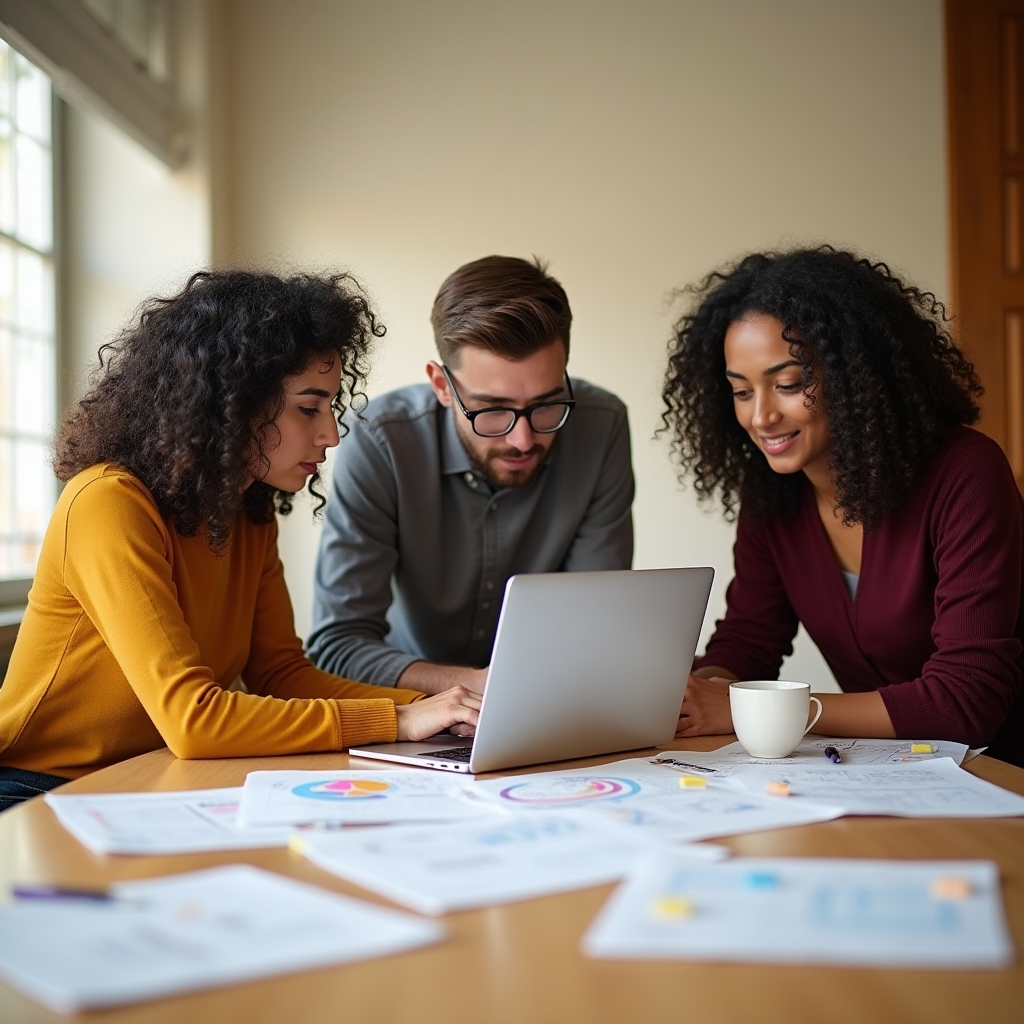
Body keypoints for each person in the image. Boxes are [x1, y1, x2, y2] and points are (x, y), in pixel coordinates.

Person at [0, 271, 481, 812]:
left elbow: (281, 675)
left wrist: (441, 708)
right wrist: (397, 719)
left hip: (159, 781)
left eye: (331, 405)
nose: (332, 433)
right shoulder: (107, 504)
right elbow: (193, 719)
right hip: (40, 788)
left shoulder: (247, 512)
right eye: (309, 407)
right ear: (232, 401)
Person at [661, 246, 1023, 766]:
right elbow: (748, 641)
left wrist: (763, 708)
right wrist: (700, 694)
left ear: (855, 373)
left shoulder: (966, 473)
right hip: (888, 773)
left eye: (788, 384)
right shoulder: (773, 495)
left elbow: (966, 701)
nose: (762, 416)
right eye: (741, 392)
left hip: (1002, 774)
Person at [307, 255, 634, 694]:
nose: (522, 439)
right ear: (442, 386)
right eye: (492, 410)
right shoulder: (378, 440)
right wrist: (481, 689)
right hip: (412, 714)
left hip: (551, 705)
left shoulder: (602, 424)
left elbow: (594, 623)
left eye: (546, 404)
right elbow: (337, 646)